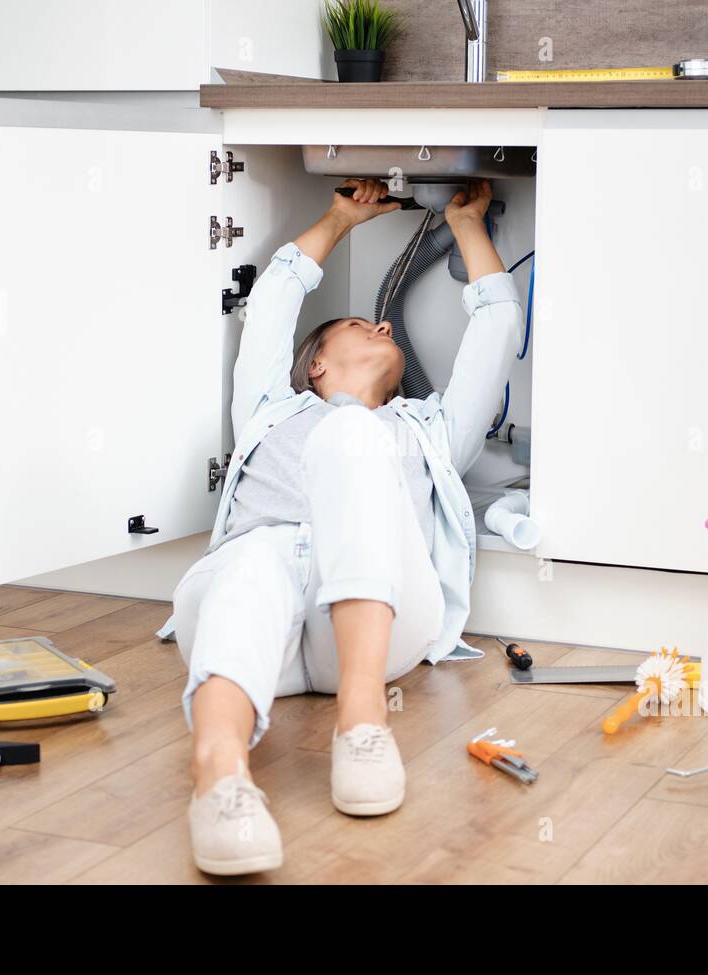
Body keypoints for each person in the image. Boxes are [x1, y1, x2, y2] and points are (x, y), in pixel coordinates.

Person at [168, 177, 523, 875]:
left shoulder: (429, 431)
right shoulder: (269, 407)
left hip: (375, 627)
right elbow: (274, 296)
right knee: (248, 560)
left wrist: (468, 223)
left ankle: (364, 725)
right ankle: (220, 780)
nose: (383, 326)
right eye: (361, 325)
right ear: (316, 362)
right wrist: (340, 217)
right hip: (262, 618)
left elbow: (497, 326)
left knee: (351, 436)